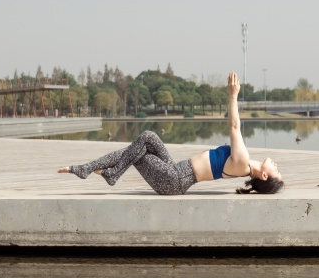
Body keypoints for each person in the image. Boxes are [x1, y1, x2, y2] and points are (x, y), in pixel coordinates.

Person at [57, 72, 284, 195]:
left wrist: (233, 95)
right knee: (147, 140)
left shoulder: (242, 162)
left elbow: (234, 127)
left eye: (276, 170)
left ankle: (109, 174)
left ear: (263, 176)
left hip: (173, 181)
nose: (276, 164)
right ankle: (90, 169)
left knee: (143, 141)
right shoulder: (242, 163)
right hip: (174, 172)